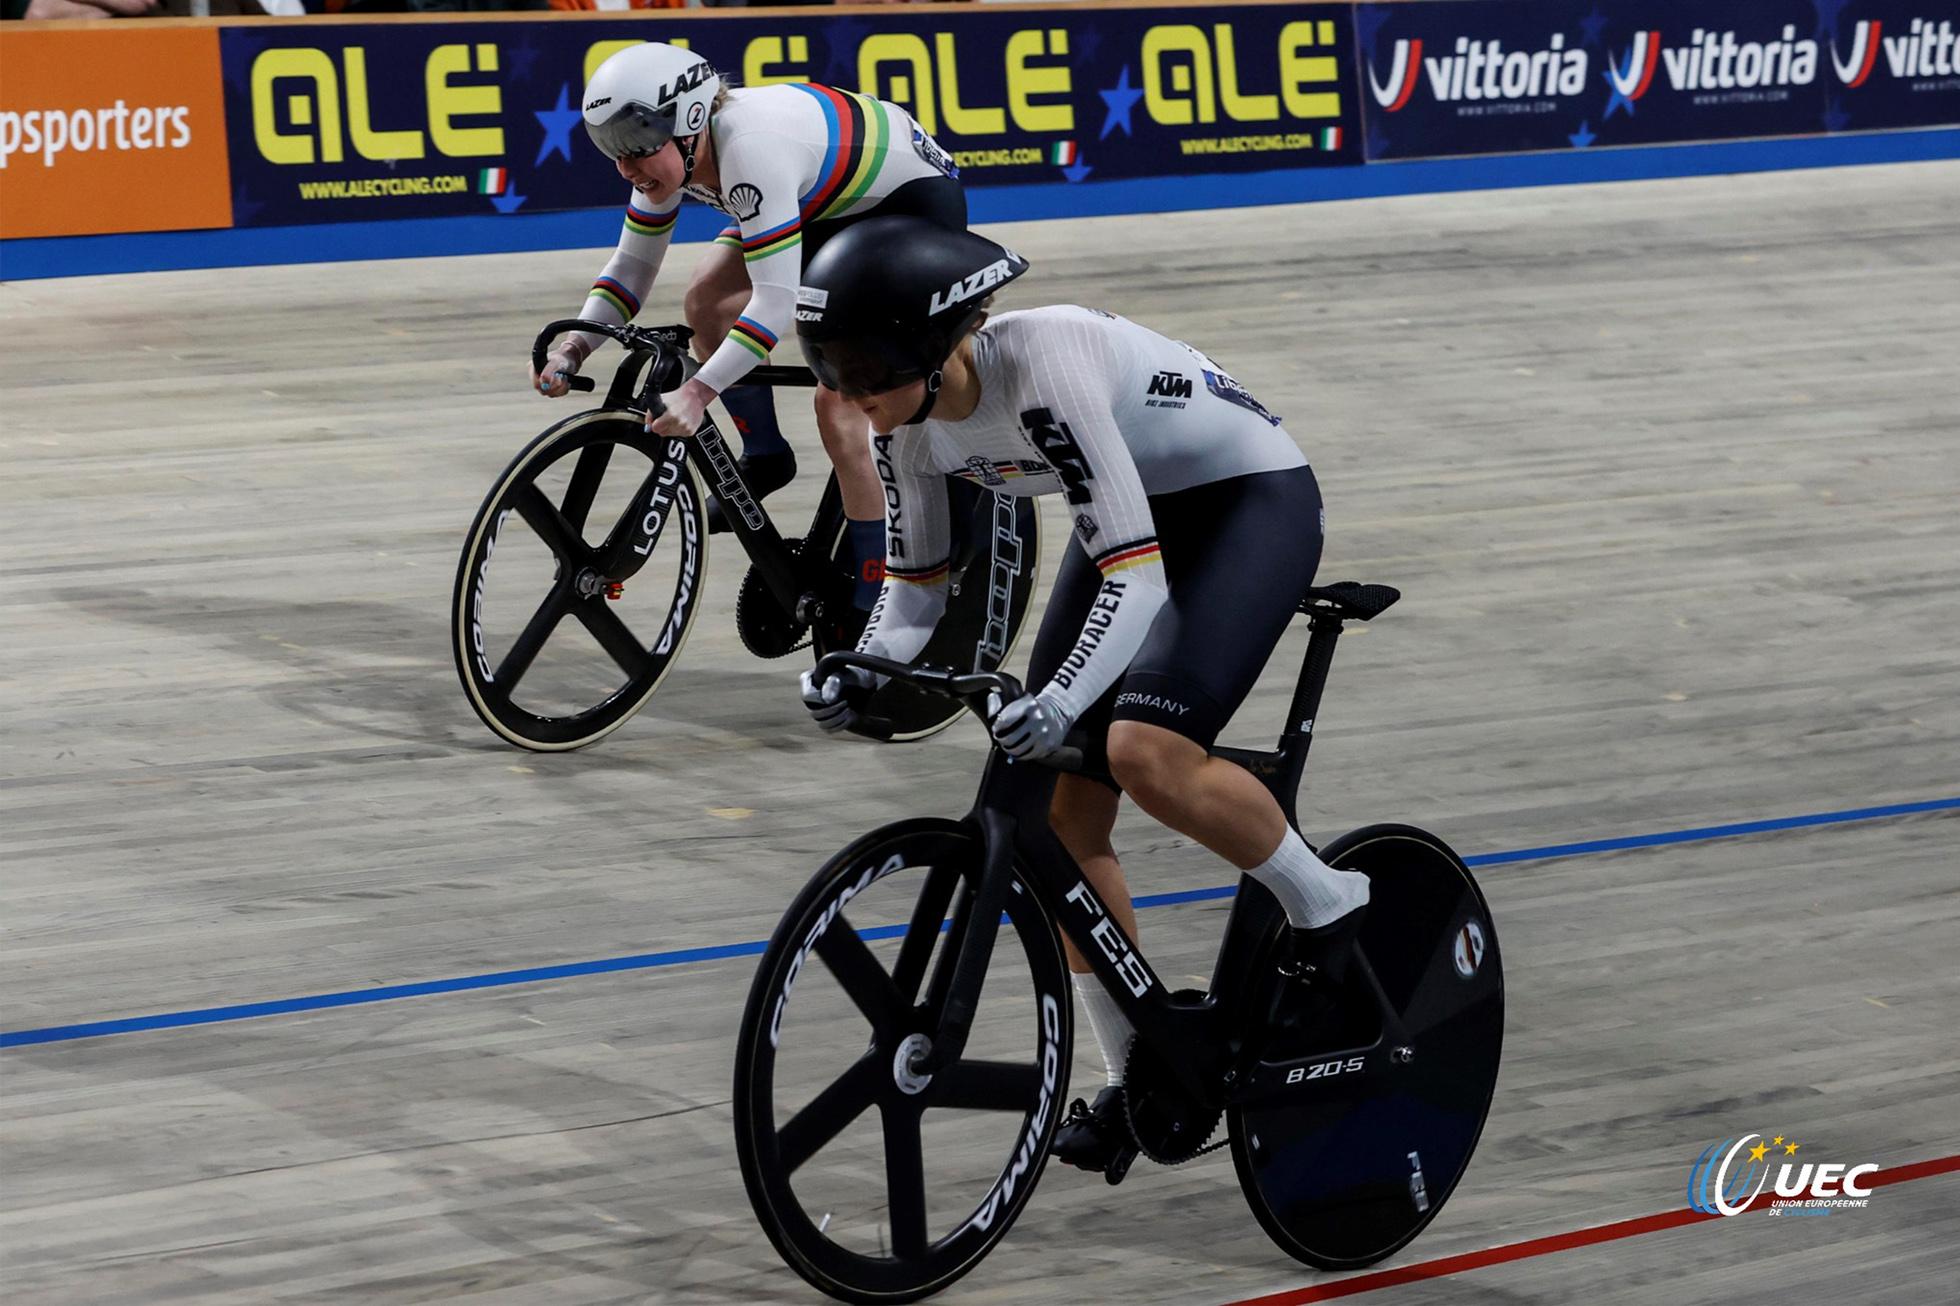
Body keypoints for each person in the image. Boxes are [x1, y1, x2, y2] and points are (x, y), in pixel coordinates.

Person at [793, 217, 1373, 1176]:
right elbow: (918, 592)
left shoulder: (1045, 364)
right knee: (1059, 815)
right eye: (834, 371)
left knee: (1144, 750)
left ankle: (1328, 904)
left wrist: (1062, 702)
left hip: (1244, 502)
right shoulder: (901, 423)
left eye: (865, 371)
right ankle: (1135, 1075)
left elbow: (1136, 581)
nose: (849, 396)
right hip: (1127, 518)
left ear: (937, 349)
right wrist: (858, 666)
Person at [533, 43, 966, 615]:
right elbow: (633, 267)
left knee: (840, 406)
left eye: (634, 145)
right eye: (611, 146)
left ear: (690, 122)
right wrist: (576, 345)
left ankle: (875, 601)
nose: (625, 166)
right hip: (825, 205)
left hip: (906, 208)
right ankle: (765, 456)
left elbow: (776, 302)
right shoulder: (673, 155)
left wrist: (698, 391)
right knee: (707, 299)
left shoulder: (751, 151)